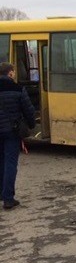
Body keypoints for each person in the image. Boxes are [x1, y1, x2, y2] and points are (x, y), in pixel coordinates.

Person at [0, 62, 35, 210]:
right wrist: (31, 125)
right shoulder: (18, 89)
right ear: (10, 73)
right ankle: (8, 198)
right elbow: (29, 110)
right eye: (13, 72)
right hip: (11, 132)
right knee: (10, 163)